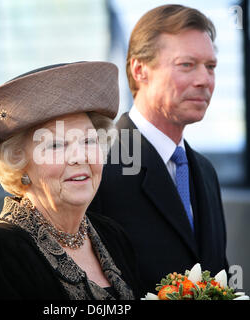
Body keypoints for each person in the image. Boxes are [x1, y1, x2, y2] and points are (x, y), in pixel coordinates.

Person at [0, 61, 141, 300]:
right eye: (55, 145)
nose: (79, 156)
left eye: (88, 141)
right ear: (18, 163)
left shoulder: (113, 235)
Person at [89, 5, 229, 296]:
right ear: (140, 70)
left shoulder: (204, 171)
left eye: (211, 66)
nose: (204, 79)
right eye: (187, 65)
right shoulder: (98, 163)